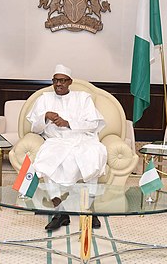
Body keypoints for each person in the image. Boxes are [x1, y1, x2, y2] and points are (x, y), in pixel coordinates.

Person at [27, 64, 107, 231]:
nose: (58, 84)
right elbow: (34, 128)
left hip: (82, 139)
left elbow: (93, 124)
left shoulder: (83, 98)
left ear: (70, 82)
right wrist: (45, 116)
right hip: (57, 141)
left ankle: (90, 210)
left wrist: (68, 123)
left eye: (62, 81)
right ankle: (60, 212)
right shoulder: (44, 98)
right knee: (45, 160)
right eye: (55, 80)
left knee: (94, 154)